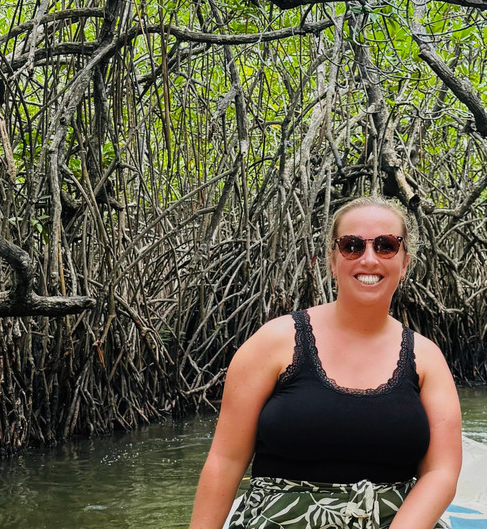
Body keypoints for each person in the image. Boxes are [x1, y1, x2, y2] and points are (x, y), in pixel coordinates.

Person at [189, 196, 462, 529]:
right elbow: (225, 460)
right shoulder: (274, 343)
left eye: (386, 245)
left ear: (404, 262)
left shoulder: (427, 358)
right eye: (352, 245)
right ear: (332, 261)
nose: (369, 258)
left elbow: (441, 472)